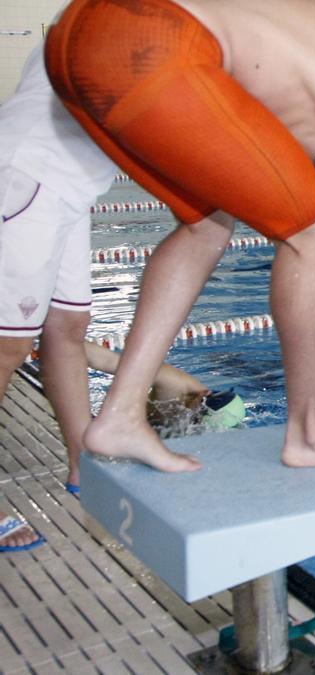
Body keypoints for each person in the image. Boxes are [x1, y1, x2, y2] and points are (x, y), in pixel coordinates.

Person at [45, 0, 315, 480]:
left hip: (77, 39)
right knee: (313, 231)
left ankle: (120, 415)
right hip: (154, 38)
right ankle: (309, 434)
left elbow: (310, 215)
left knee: (208, 226)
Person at [0, 41, 119, 552]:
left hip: (70, 188)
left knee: (68, 327)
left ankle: (82, 465)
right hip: (30, 178)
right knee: (6, 347)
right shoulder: (117, 21)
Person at [82, 341, 246, 435]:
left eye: (197, 422)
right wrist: (65, 342)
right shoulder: (171, 381)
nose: (192, 421)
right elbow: (107, 360)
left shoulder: (198, 429)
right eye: (196, 416)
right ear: (203, 395)